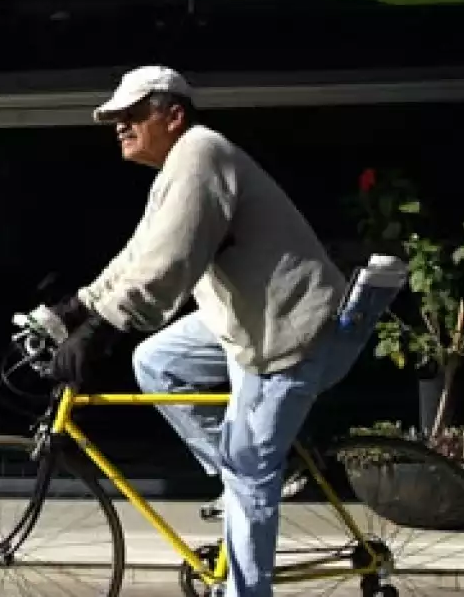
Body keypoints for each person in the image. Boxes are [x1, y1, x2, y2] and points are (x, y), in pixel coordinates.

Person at [36, 65, 361, 597]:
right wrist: (71, 310)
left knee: (250, 469)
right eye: (114, 118)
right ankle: (253, 471)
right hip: (250, 324)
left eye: (132, 114)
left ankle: (246, 573)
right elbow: (137, 257)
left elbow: (169, 263)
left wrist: (98, 332)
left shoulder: (201, 154)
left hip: (292, 332)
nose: (119, 125)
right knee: (158, 362)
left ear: (174, 115)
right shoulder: (177, 169)